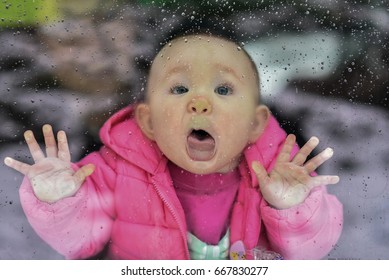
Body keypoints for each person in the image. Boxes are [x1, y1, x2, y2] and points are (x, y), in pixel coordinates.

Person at [4, 32, 343, 260]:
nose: (199, 102)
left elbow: (311, 249)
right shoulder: (113, 170)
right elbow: (79, 240)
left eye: (223, 90)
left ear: (255, 124)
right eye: (180, 89)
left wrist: (293, 209)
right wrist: (59, 200)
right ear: (149, 121)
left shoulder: (277, 173)